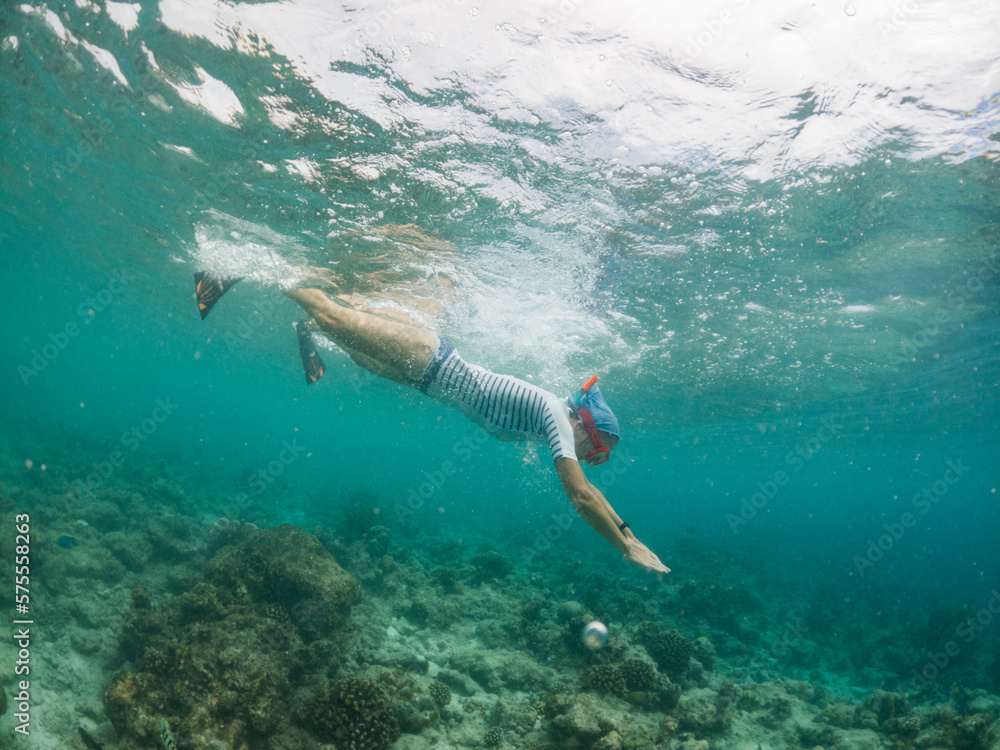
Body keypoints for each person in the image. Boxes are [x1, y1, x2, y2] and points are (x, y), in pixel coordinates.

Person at [195, 271, 670, 574]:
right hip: (429, 358)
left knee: (358, 355)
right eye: (598, 451)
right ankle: (247, 271)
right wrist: (623, 550)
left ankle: (307, 329)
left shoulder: (557, 423)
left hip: (424, 379)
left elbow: (592, 492)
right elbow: (581, 495)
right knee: (334, 316)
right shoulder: (556, 417)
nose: (592, 459)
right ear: (585, 426)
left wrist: (629, 533)